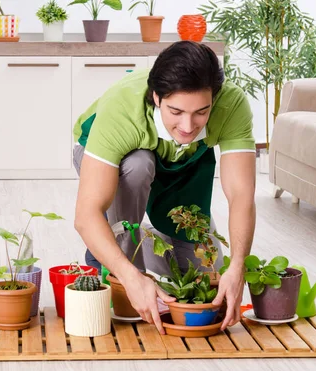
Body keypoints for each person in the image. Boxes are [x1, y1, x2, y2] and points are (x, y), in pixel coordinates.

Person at [72, 41, 256, 335]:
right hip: (120, 158)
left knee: (206, 273)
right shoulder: (123, 108)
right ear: (157, 97)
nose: (187, 125)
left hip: (183, 160)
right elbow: (87, 213)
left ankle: (141, 244)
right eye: (176, 111)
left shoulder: (231, 104)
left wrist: (237, 267)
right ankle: (114, 261)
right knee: (139, 164)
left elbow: (241, 195)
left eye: (201, 112)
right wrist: (132, 277)